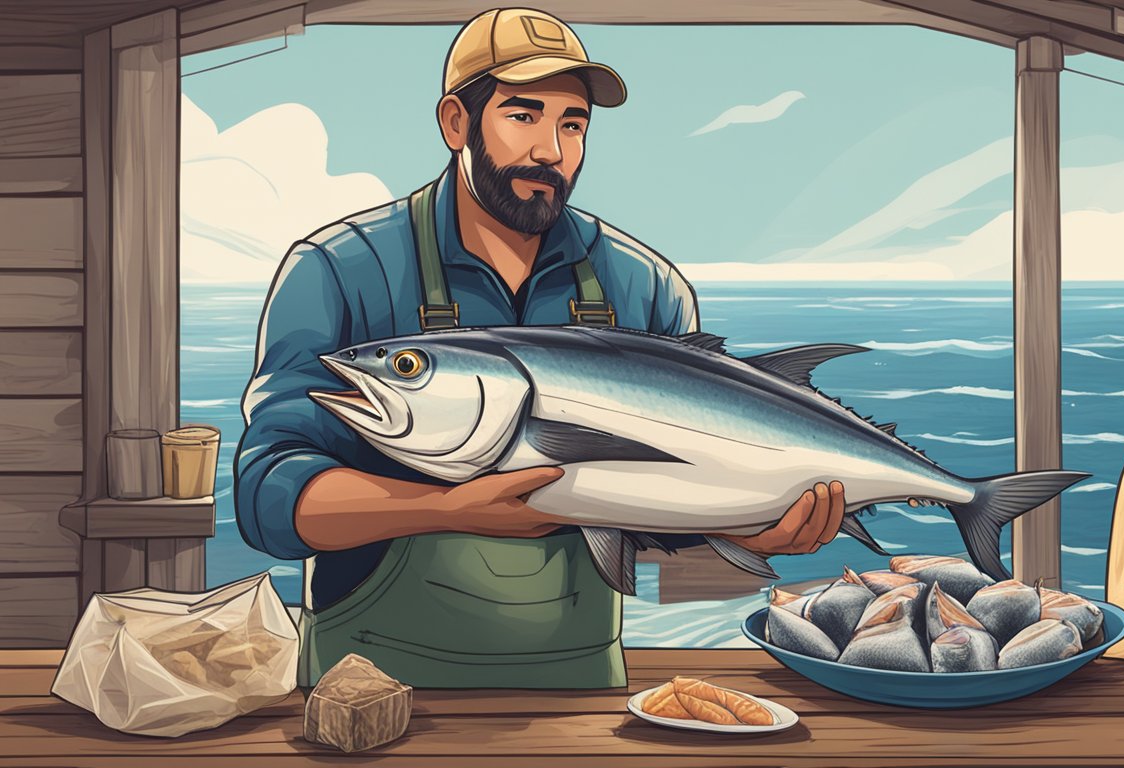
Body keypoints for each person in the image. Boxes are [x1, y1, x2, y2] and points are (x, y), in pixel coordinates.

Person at [235, 8, 847, 689]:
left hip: (581, 679)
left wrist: (749, 530)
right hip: (369, 677)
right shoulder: (338, 269)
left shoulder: (644, 284)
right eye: (523, 116)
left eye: (573, 124)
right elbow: (267, 496)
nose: (552, 150)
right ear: (456, 123)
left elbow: (658, 507)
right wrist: (442, 511)